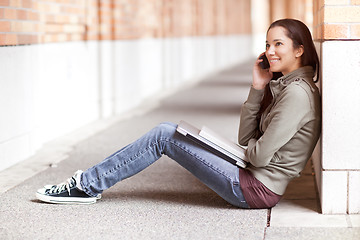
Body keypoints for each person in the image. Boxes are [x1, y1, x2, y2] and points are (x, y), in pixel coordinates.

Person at [36, 19, 321, 209]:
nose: (270, 51)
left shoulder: (297, 94)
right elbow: (246, 139)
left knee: (164, 134)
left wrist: (244, 149)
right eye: (267, 45)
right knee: (170, 130)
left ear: (299, 49)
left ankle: (86, 186)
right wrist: (257, 88)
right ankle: (87, 183)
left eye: (278, 44)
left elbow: (256, 156)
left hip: (255, 188)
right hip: (251, 173)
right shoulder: (285, 87)